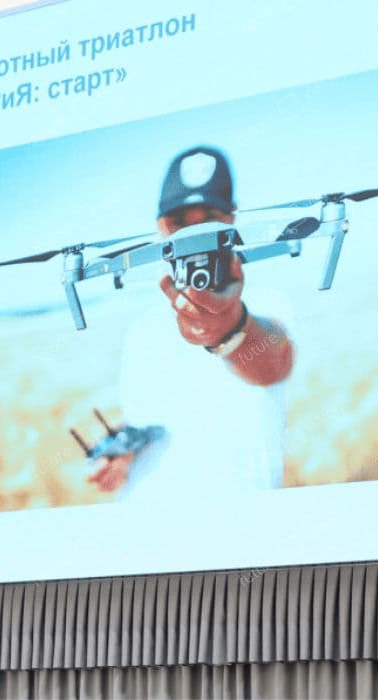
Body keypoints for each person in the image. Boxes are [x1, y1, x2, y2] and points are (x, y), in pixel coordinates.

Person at [88, 146, 295, 499]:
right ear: (160, 226)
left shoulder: (268, 304)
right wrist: (124, 450)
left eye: (210, 219)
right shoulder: (142, 331)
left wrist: (232, 328)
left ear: (232, 218)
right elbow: (169, 415)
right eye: (181, 223)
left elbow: (272, 364)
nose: (195, 235)